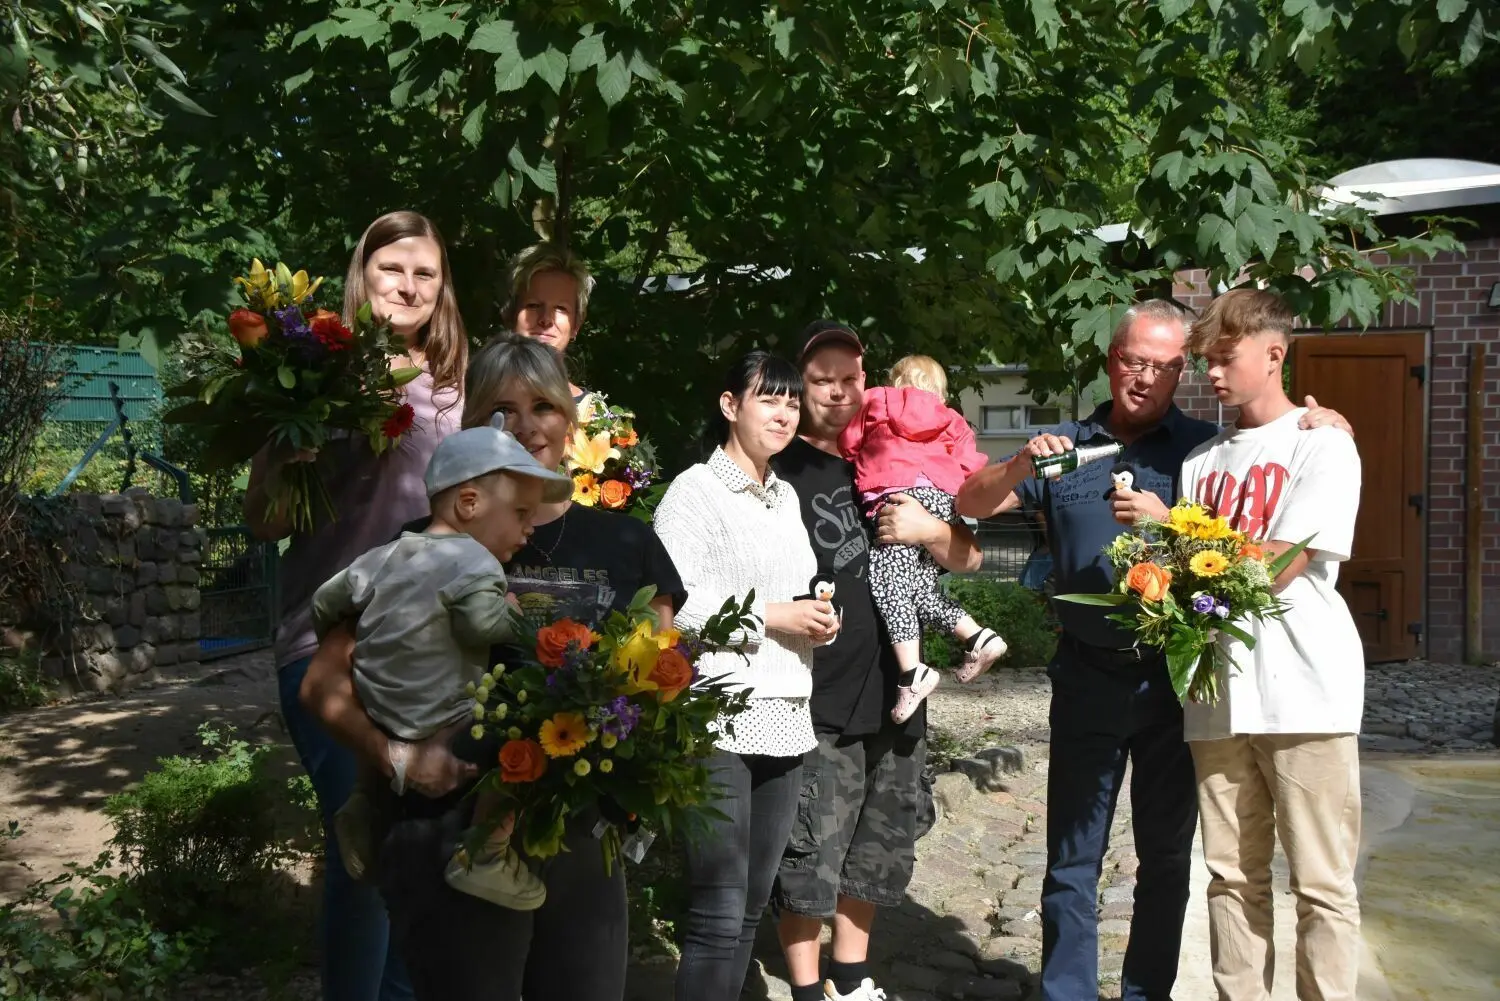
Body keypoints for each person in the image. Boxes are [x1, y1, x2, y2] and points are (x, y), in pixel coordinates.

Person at [954, 299, 1354, 1001]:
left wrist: (1328, 423)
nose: (1144, 376)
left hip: (1177, 684)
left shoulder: (1199, 449)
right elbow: (971, 501)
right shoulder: (1070, 445)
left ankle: (1147, 993)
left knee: (1169, 858)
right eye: (1132, 360)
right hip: (1085, 675)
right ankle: (1067, 992)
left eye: (1166, 366)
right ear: (1111, 361)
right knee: (1073, 858)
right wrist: (1018, 463)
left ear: (1180, 376)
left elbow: (1267, 536)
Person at [298, 332, 686, 1001]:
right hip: (446, 830)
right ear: (473, 425)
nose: (527, 425)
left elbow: (663, 680)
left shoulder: (628, 541)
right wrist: (397, 758)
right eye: (501, 410)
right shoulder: (424, 545)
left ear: (571, 417)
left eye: (544, 405)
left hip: (581, 837)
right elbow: (322, 683)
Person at [247, 209, 467, 1001]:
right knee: (363, 851)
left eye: (425, 273)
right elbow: (262, 520)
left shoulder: (457, 387)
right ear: (362, 276)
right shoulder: (314, 372)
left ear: (442, 289)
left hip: (430, 652)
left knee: (419, 859)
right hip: (326, 643)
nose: (408, 285)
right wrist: (294, 453)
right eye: (392, 269)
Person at [773, 322, 983, 1001]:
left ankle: (851, 976)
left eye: (850, 377)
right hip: (816, 693)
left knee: (879, 847)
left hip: (898, 690)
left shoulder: (901, 453)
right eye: (819, 378)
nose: (837, 390)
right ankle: (806, 987)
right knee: (811, 851)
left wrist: (931, 530)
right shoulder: (781, 467)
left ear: (873, 384)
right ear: (800, 388)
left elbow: (969, 556)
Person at [1180, 288, 1364, 1001]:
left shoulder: (1323, 444)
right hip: (1217, 693)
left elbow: (1282, 563)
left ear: (1275, 353)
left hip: (1307, 689)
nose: (1214, 376)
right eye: (1206, 362)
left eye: (1225, 359)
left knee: (1321, 883)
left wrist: (1187, 541)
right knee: (1230, 875)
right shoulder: (1199, 463)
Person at [311, 416, 573, 909]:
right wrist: (513, 616)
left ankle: (363, 803)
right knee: (525, 738)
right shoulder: (477, 562)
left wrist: (360, 635)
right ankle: (485, 856)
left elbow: (327, 601)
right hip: (440, 716)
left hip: (379, 706)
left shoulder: (388, 554)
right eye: (520, 513)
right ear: (469, 504)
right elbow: (478, 627)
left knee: (382, 719)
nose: (527, 528)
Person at [652, 351, 835, 1001]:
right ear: (730, 405)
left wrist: (815, 617)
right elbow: (669, 601)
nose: (785, 412)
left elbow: (787, 593)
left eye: (792, 402)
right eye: (769, 399)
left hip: (786, 711)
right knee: (717, 909)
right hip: (715, 713)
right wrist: (774, 614)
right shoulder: (693, 491)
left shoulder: (785, 496)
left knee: (752, 906)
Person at [838, 353, 1006, 723]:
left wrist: (855, 455)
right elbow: (969, 466)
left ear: (896, 381)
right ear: (941, 392)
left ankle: (913, 672)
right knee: (919, 590)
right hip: (939, 500)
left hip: (897, 496)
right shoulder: (952, 418)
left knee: (888, 584)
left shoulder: (877, 398)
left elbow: (849, 441)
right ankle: (977, 637)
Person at [499, 242, 594, 399]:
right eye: (533, 305)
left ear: (577, 324)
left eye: (561, 308)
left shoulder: (598, 417)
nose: (546, 319)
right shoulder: (474, 401)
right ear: (510, 314)